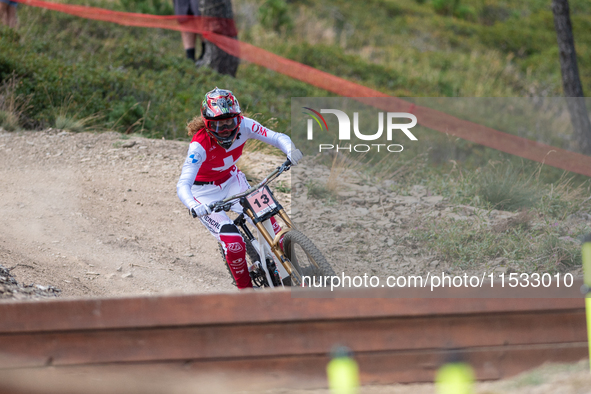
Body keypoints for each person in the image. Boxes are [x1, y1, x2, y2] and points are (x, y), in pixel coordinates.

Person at [176, 87, 303, 289]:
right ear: (207, 124)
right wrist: (193, 205)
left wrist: (290, 150)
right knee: (234, 243)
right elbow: (183, 184)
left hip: (233, 181)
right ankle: (246, 292)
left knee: (273, 226)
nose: (226, 129)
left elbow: (277, 137)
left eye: (230, 122)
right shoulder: (199, 145)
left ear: (238, 118)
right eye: (218, 125)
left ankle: (286, 273)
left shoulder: (245, 125)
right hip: (203, 194)